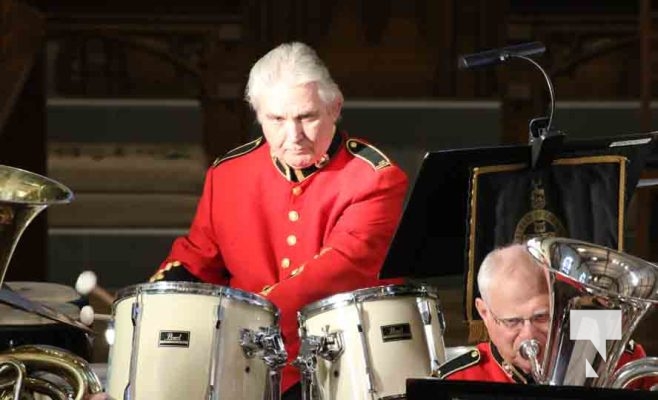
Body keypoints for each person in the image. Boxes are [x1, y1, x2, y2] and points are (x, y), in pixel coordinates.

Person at [146, 41, 408, 399]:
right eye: (277, 119)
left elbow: (339, 268)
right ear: (257, 115)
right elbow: (198, 258)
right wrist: (153, 306)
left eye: (306, 117)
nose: (293, 136)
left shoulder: (374, 177)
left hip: (339, 363)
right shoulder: (228, 174)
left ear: (335, 107)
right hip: (242, 362)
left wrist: (243, 320)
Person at [437, 243, 655, 390]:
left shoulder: (619, 358)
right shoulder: (457, 383)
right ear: (484, 313)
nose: (529, 333)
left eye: (542, 317)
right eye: (512, 321)